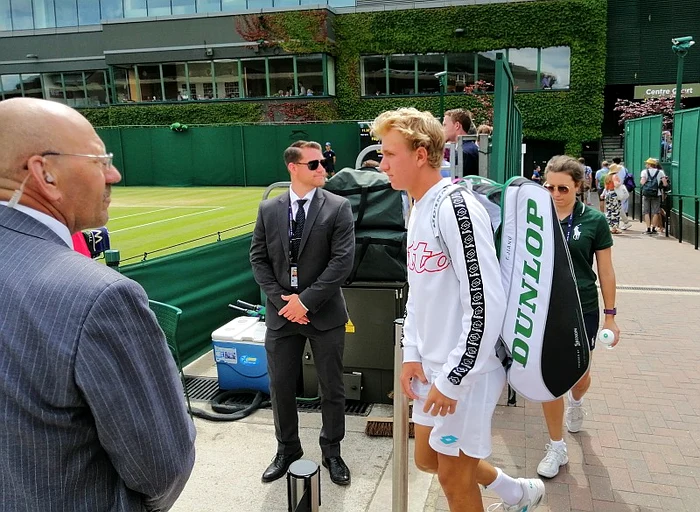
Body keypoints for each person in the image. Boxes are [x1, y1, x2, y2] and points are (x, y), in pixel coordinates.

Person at [0, 98, 196, 511]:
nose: (114, 174)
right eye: (99, 160)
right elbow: (162, 470)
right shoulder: (98, 295)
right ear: (44, 173)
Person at [372, 107, 544, 512]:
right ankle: (518, 492)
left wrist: (454, 377)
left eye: (389, 154)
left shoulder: (456, 207)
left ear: (420, 153)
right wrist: (412, 354)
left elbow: (486, 300)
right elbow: (418, 291)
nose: (382, 164)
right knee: (427, 458)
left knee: (454, 480)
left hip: (467, 372)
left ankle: (516, 494)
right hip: (432, 365)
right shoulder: (416, 207)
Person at [249, 140, 355, 486]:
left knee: (332, 386)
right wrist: (284, 304)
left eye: (322, 163)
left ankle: (331, 451)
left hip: (323, 314)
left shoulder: (338, 207)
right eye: (314, 164)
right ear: (293, 168)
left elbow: (342, 263)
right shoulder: (269, 210)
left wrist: (305, 301)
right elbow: (258, 260)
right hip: (282, 316)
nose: (322, 168)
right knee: (280, 385)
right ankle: (287, 449)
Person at [537, 155, 619, 479]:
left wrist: (611, 315)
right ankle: (556, 446)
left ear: (578, 186)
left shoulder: (595, 221)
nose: (555, 194)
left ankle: (576, 400)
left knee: (580, 378)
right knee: (550, 379)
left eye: (563, 188)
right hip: (545, 309)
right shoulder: (537, 219)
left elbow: (607, 271)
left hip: (583, 307)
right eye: (550, 187)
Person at [443, 108, 479, 176]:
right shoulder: (468, 148)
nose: (442, 129)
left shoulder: (463, 153)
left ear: (457, 125)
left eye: (445, 125)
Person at [640, 157, 668, 235]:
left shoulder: (644, 172)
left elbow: (642, 182)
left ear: (649, 164)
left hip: (646, 193)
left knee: (646, 211)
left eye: (647, 163)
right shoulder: (661, 172)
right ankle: (654, 229)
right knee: (655, 211)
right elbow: (665, 183)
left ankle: (648, 228)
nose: (646, 165)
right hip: (657, 193)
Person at [611, 157, 631, 229]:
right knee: (621, 205)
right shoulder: (624, 169)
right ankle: (623, 222)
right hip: (622, 187)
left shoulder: (615, 172)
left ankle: (619, 223)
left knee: (616, 207)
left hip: (616, 189)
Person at [603, 164, 623, 234]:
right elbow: (616, 184)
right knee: (615, 210)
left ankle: (609, 226)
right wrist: (620, 183)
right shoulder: (615, 176)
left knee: (609, 210)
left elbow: (605, 187)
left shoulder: (607, 177)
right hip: (614, 194)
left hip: (608, 194)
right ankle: (615, 228)